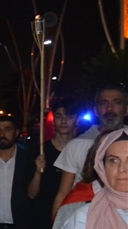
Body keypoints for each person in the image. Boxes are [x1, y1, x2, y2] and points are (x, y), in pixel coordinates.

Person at [52, 85, 126, 217]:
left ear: (126, 109)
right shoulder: (77, 145)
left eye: (117, 102)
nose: (109, 108)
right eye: (104, 103)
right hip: (85, 223)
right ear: (96, 110)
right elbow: (63, 194)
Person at [29, 98, 78, 229]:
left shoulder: (83, 148)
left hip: (72, 217)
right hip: (42, 219)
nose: (64, 121)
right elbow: (31, 194)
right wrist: (38, 172)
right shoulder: (40, 149)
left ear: (76, 120)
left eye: (69, 116)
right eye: (59, 116)